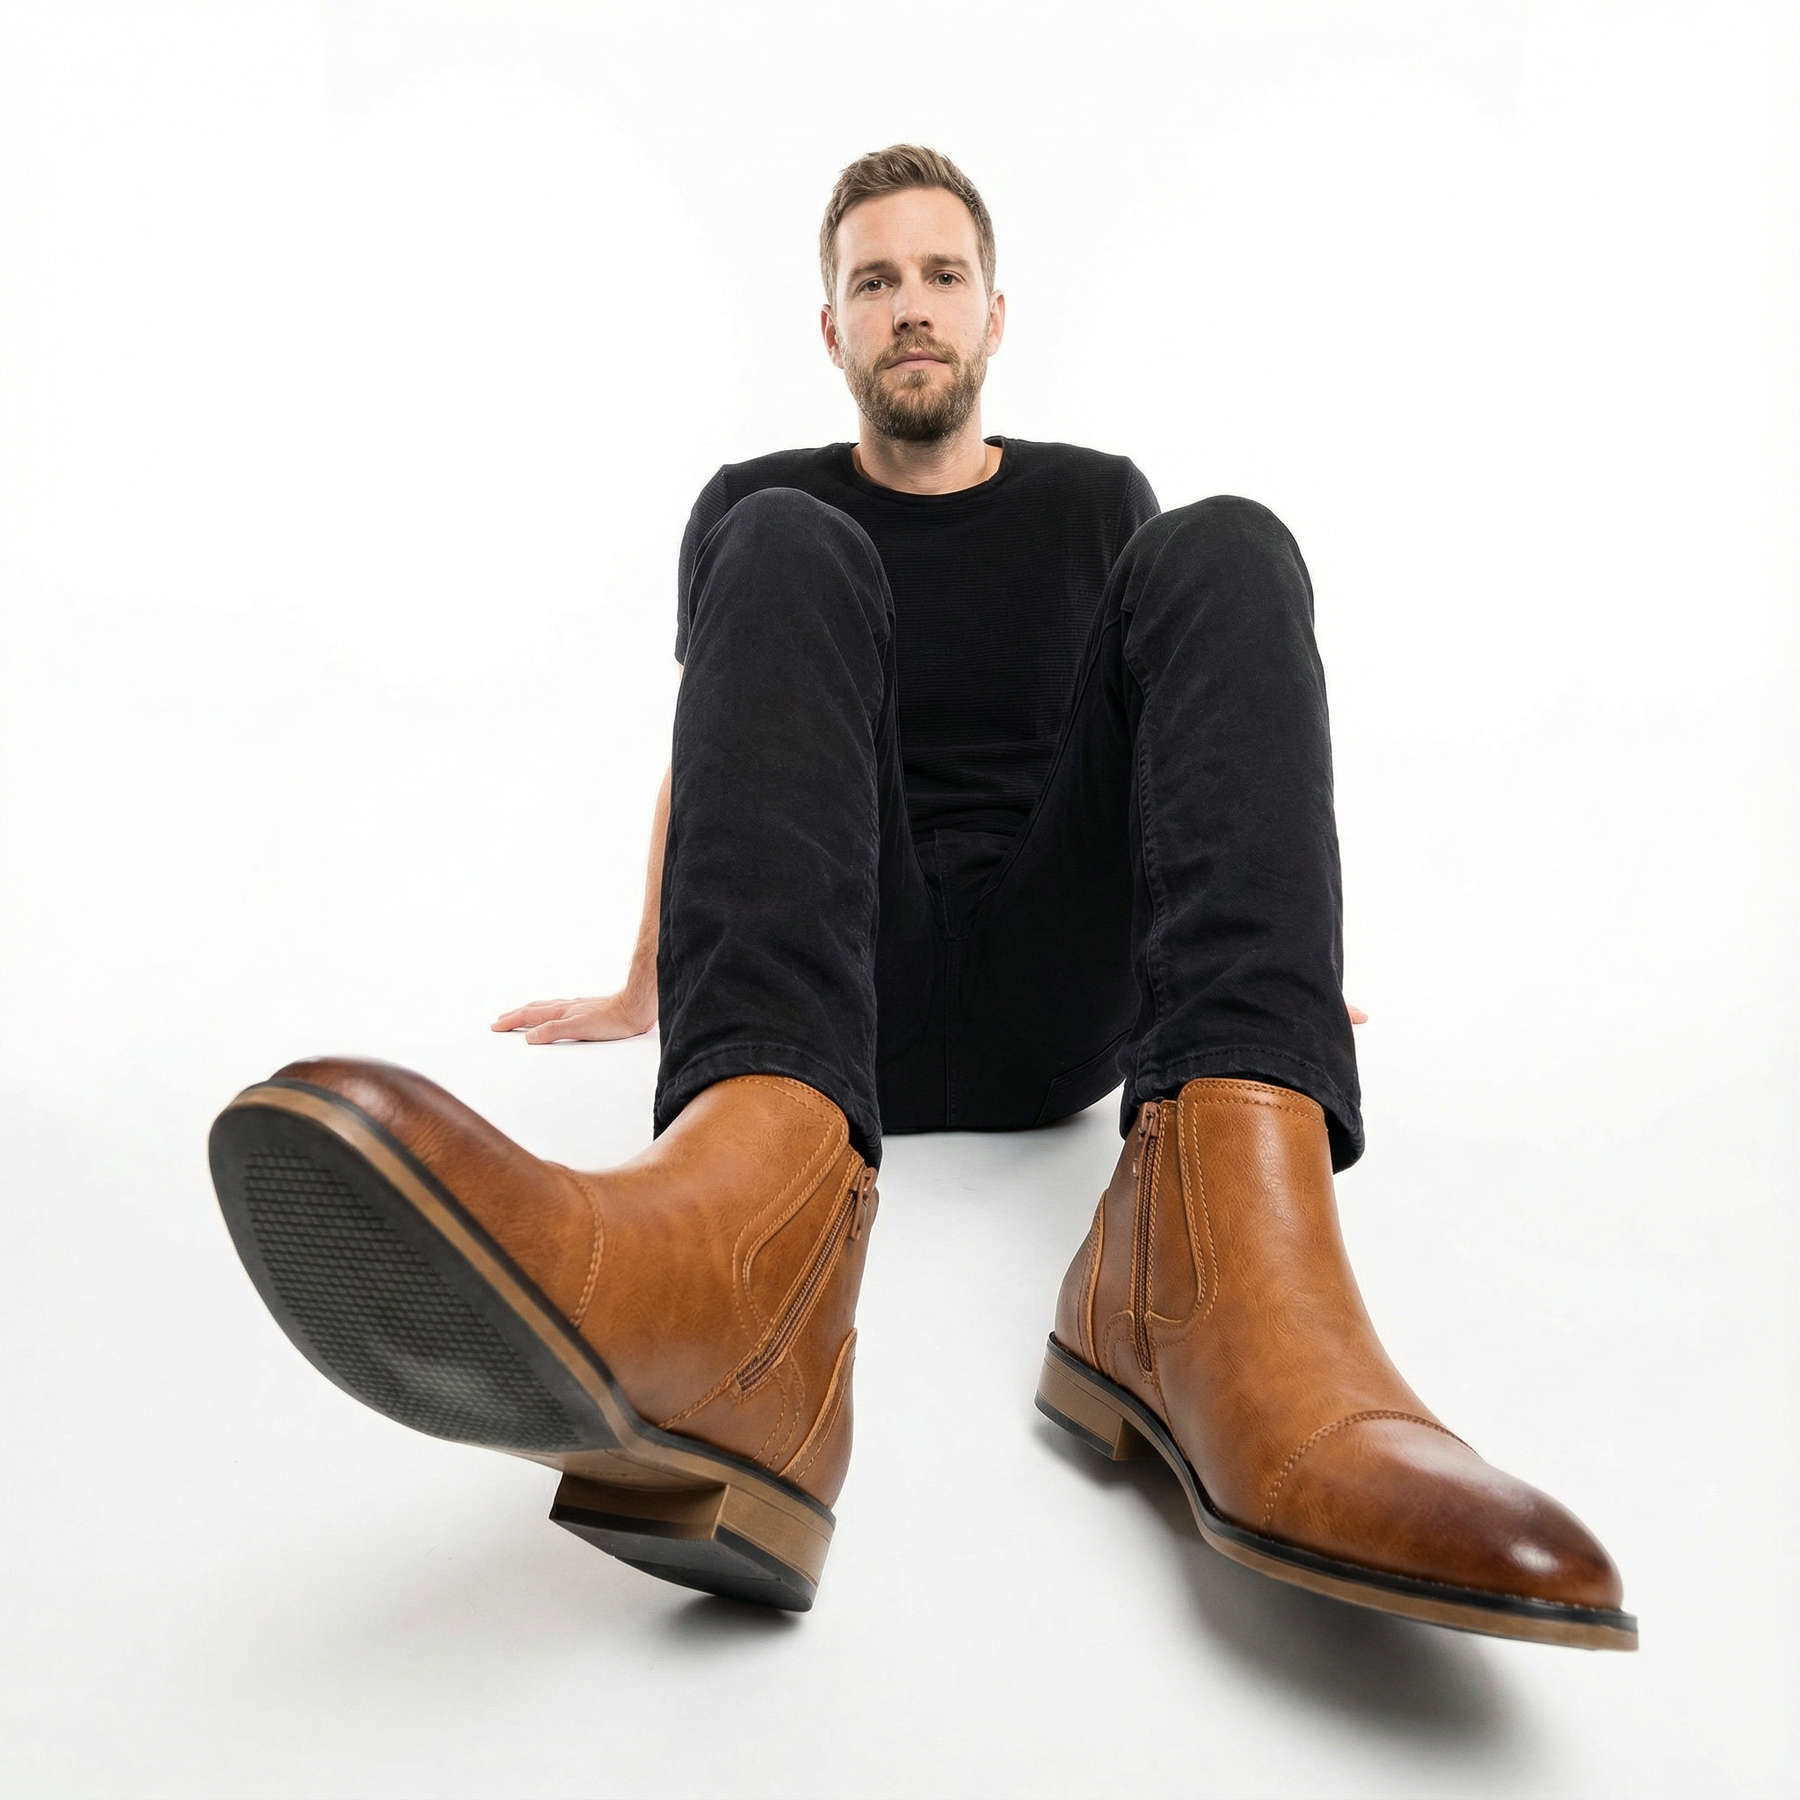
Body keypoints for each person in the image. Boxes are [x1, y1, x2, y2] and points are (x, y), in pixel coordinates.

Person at [208, 146, 1634, 1650]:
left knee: (1226, 543)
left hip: (1053, 991)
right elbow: (721, 756)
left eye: (942, 276)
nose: (911, 306)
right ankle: (746, 1304)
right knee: (781, 535)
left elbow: (1178, 747)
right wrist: (646, 980)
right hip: (838, 994)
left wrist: (1264, 973)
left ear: (994, 315)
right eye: (875, 280)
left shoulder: (1094, 500)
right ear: (830, 326)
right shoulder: (753, 505)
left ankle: (1207, 1281)